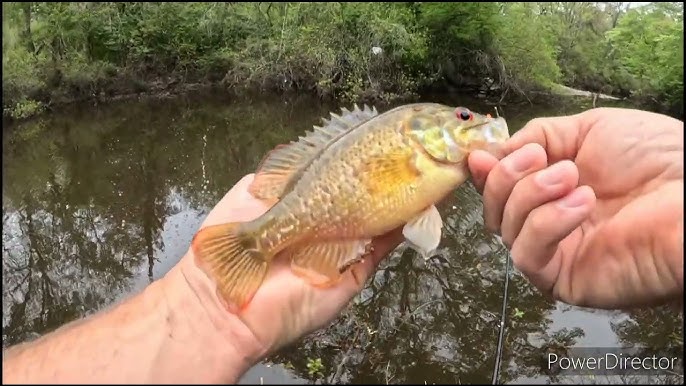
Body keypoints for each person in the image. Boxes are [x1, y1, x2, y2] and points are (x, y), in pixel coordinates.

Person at [2, 107, 683, 383]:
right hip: (302, 226)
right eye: (466, 120)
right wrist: (195, 310)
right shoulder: (416, 147)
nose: (480, 126)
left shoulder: (433, 162)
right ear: (432, 130)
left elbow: (418, 226)